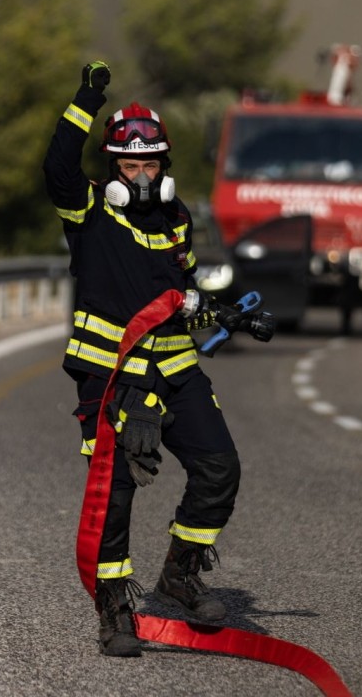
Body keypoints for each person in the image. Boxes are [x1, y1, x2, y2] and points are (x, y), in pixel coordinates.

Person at [43, 60, 241, 658]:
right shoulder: (89, 213)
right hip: (109, 379)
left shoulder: (175, 220)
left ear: (164, 166)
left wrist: (224, 314)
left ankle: (180, 575)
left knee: (219, 470)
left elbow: (177, 299)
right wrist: (85, 99)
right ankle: (114, 612)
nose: (142, 174)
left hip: (175, 371)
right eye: (129, 165)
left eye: (150, 163)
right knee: (116, 494)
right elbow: (56, 166)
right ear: (113, 169)